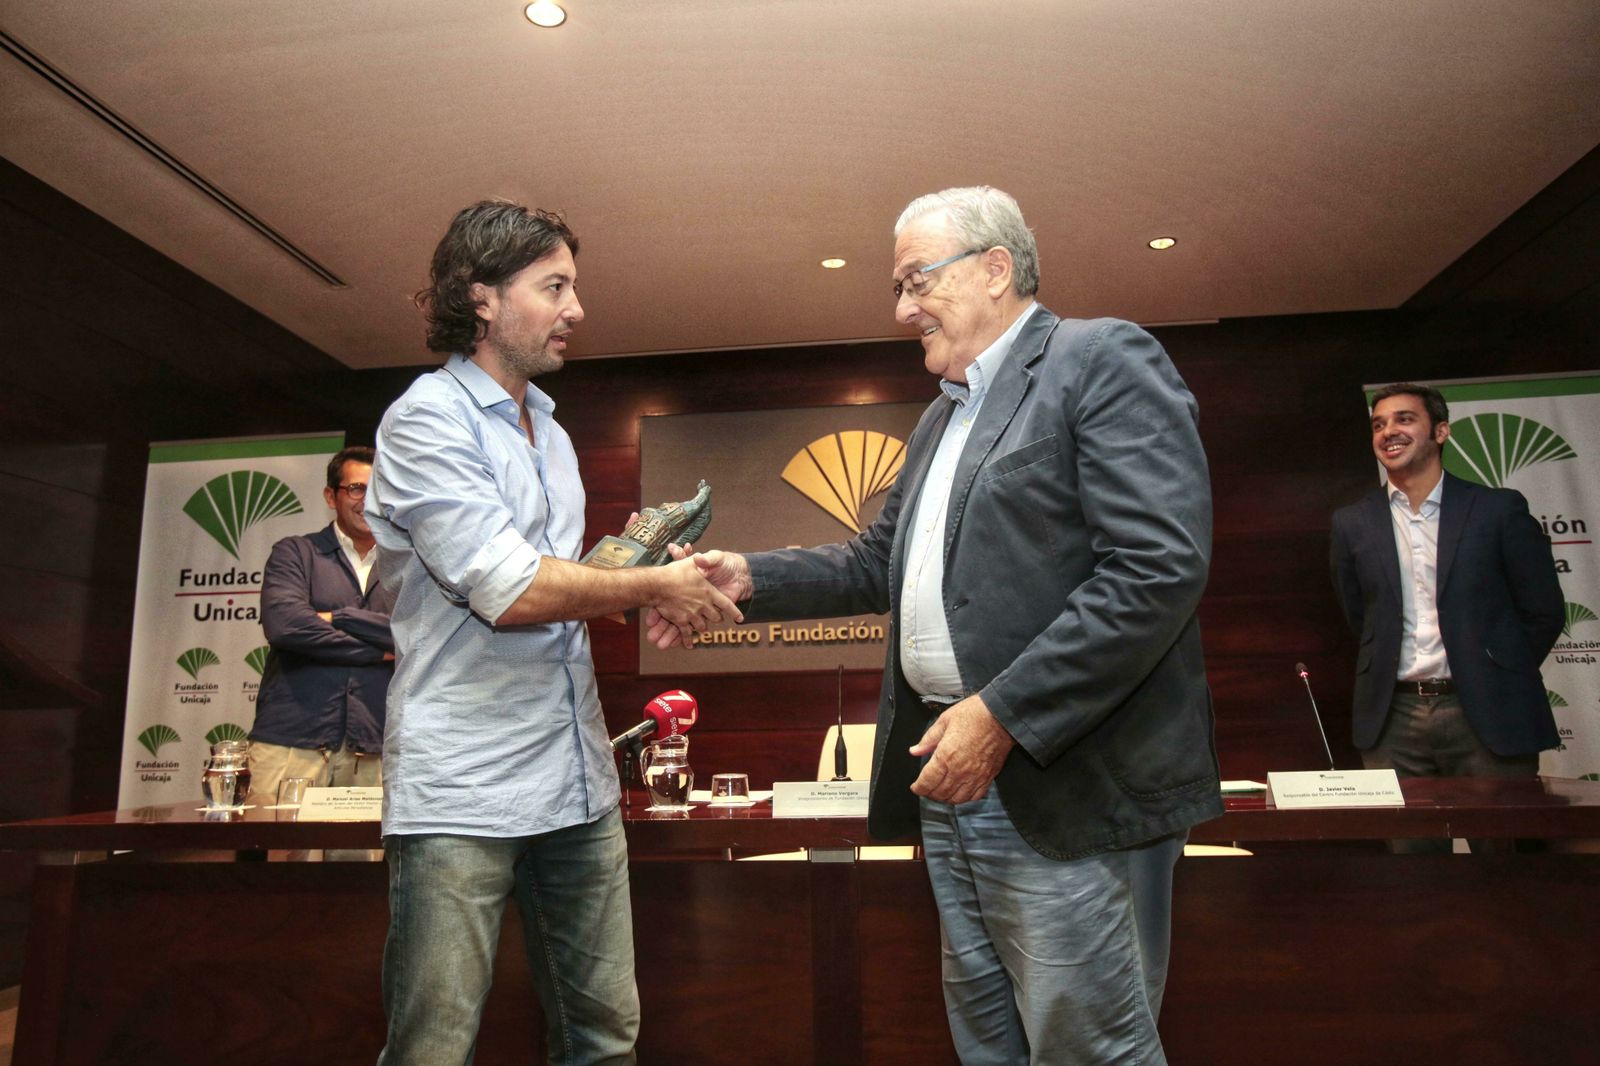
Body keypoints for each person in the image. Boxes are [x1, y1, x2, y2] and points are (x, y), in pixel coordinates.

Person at [651, 186, 1220, 1065]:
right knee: (988, 1038)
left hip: (1059, 781)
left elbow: (1157, 569)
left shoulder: (1097, 358)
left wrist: (1001, 716)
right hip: (953, 782)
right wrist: (747, 575)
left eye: (918, 279)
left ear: (997, 269)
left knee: (1089, 1046)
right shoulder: (941, 414)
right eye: (898, 286)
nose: (901, 307)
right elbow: (873, 563)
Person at [366, 200, 739, 1065]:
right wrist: (652, 581)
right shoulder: (425, 421)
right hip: (463, 791)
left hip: (577, 783)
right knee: (434, 1047)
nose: (577, 308)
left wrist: (648, 588)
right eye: (556, 286)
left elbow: (566, 586)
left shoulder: (558, 437)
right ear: (482, 297)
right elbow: (505, 588)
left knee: (605, 1038)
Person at [1329, 383, 1563, 852]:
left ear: (1440, 431)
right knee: (1413, 874)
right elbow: (1360, 615)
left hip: (1486, 712)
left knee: (1502, 864)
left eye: (1403, 419)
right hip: (1394, 718)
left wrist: (1496, 670)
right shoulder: (1352, 522)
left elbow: (1542, 610)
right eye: (1378, 424)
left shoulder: (1498, 509)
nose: (1388, 432)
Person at [250, 445, 393, 803]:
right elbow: (286, 626)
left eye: (380, 490)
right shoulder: (295, 552)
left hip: (375, 744)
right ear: (331, 496)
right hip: (292, 741)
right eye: (357, 489)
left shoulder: (407, 567)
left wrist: (336, 617)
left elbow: (414, 635)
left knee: (362, 858)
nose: (368, 501)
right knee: (288, 856)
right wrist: (381, 650)